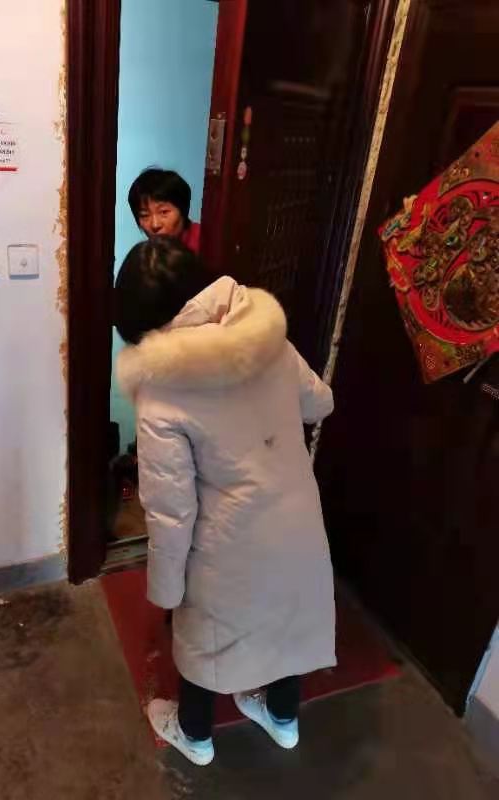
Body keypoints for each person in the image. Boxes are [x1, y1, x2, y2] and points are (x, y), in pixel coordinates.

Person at [114, 237, 336, 767]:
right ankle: (282, 719)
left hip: (230, 535)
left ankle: (195, 735)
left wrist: (166, 591)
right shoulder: (267, 338)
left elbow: (171, 511)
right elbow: (321, 402)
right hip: (297, 515)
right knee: (289, 614)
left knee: (208, 635)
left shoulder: (162, 388)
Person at [128, 168, 201, 254]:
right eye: (145, 215)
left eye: (164, 212)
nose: (155, 225)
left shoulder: (206, 242)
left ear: (183, 210)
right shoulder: (145, 255)